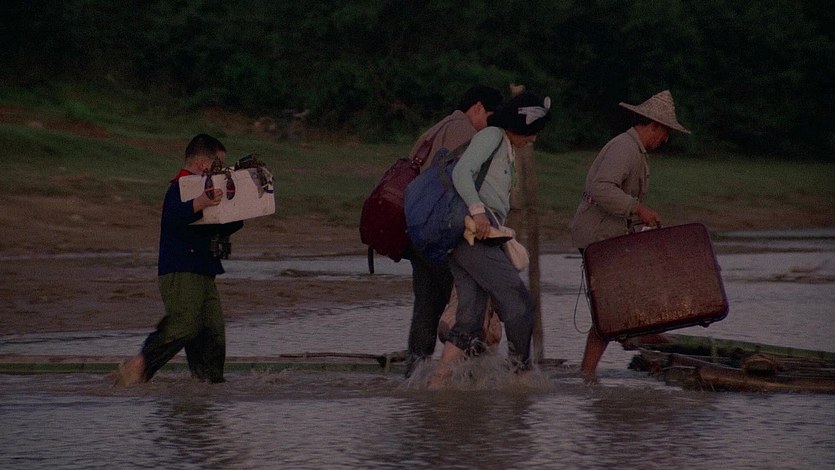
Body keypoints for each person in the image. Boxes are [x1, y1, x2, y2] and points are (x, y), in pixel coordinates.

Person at [428, 92, 552, 388]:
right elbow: (462, 172)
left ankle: (436, 384)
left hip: (470, 237)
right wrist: (478, 211)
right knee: (520, 304)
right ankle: (520, 378)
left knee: (470, 320)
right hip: (474, 235)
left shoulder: (505, 146)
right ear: (520, 125)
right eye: (533, 131)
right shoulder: (492, 136)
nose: (534, 138)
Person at [570, 90, 690, 381]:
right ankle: (590, 372)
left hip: (609, 235)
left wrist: (637, 219)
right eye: (665, 133)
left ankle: (630, 343)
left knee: (621, 302)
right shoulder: (624, 148)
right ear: (654, 126)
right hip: (599, 237)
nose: (665, 140)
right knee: (609, 310)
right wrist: (638, 208)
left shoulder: (634, 151)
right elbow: (601, 188)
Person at [114, 133, 244, 385]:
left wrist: (240, 206)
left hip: (204, 271)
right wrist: (200, 202)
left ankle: (208, 384)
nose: (223, 170)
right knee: (186, 322)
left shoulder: (208, 190)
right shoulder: (180, 187)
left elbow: (223, 226)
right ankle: (141, 364)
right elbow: (174, 216)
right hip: (181, 270)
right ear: (203, 164)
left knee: (213, 330)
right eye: (219, 164)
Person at [403, 84, 503, 377]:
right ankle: (469, 378)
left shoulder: (435, 129)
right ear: (478, 108)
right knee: (469, 306)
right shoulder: (465, 132)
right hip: (442, 233)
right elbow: (463, 184)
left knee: (427, 305)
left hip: (418, 231)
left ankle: (415, 376)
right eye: (491, 118)